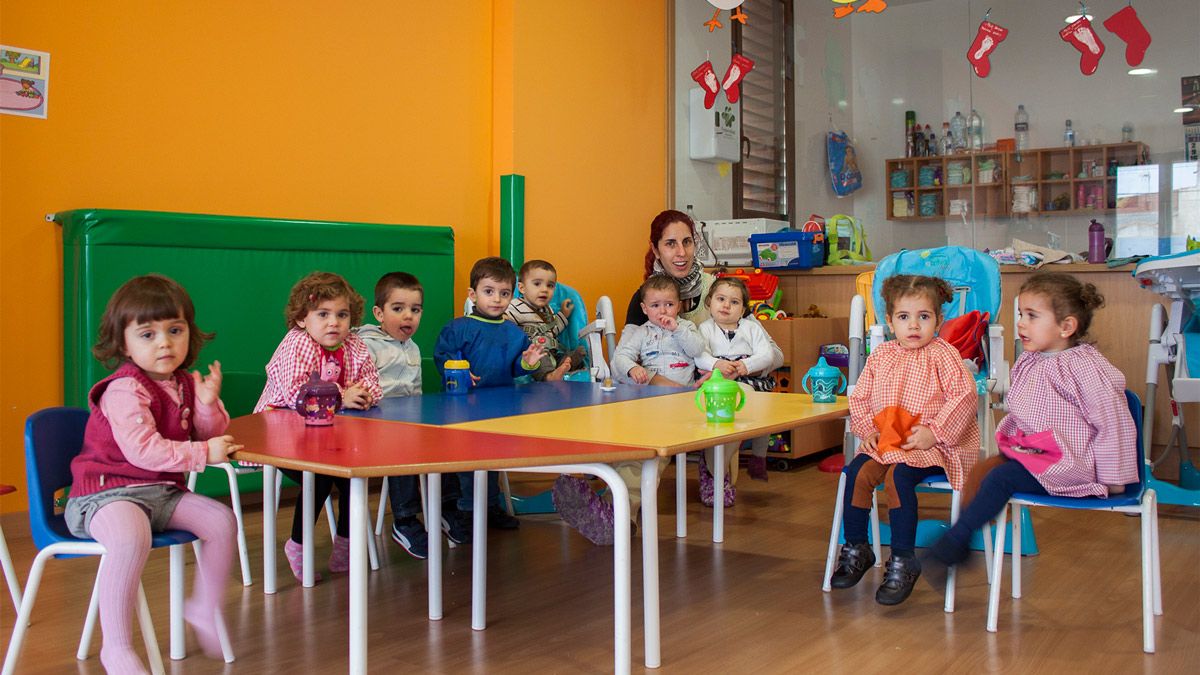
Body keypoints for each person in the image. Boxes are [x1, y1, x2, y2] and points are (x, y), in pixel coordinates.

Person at [65, 275, 240, 673]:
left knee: (221, 519)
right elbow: (142, 450)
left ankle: (204, 608)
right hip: (105, 495)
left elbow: (209, 436)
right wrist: (202, 451)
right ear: (123, 343)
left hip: (159, 493)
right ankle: (117, 648)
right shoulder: (125, 390)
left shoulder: (184, 383)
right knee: (130, 535)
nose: (164, 343)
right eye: (148, 334)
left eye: (174, 331)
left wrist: (208, 407)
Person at [921, 273, 1137, 584]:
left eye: (1032, 316)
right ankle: (961, 539)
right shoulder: (1032, 360)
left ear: (1066, 326)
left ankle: (954, 543)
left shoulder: (1086, 367)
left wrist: (1114, 478)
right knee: (983, 474)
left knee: (1000, 479)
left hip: (1071, 462)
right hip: (1039, 454)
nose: (1021, 323)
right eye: (1021, 314)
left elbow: (1113, 422)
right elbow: (1026, 413)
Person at [829, 274, 979, 605]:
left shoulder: (944, 355)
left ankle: (902, 559)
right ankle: (857, 547)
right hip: (887, 443)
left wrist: (935, 432)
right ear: (889, 320)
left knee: (898, 478)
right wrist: (867, 429)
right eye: (903, 317)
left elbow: (965, 396)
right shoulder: (881, 355)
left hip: (930, 447)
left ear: (939, 320)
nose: (914, 326)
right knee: (856, 473)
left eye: (923, 317)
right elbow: (862, 397)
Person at [553, 275, 707, 545]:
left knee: (649, 457)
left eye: (669, 305)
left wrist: (678, 330)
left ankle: (618, 516)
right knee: (627, 446)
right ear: (645, 309)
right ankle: (608, 507)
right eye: (656, 306)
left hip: (679, 406)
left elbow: (698, 350)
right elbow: (620, 359)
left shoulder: (687, 329)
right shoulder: (640, 332)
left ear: (679, 306)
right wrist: (634, 368)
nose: (663, 311)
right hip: (646, 402)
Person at [255, 271, 383, 582]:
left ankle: (345, 543)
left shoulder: (354, 344)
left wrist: (363, 395)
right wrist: (343, 394)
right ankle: (298, 544)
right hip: (278, 434)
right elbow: (297, 393)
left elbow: (373, 382)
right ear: (302, 319)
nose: (334, 323)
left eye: (342, 315)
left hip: (329, 434)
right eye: (323, 314)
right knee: (320, 475)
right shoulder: (297, 344)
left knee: (355, 477)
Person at [433, 256, 544, 540]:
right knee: (469, 461)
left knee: (493, 458)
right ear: (473, 294)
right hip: (463, 408)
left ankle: (490, 505)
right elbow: (443, 356)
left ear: (512, 294)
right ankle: (467, 511)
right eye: (489, 291)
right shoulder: (458, 327)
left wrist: (529, 361)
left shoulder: (513, 333)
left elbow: (516, 367)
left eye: (504, 293)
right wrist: (458, 370)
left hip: (501, 407)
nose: (497, 299)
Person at [355, 271, 430, 559]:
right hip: (372, 426)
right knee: (401, 448)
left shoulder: (413, 348)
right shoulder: (366, 345)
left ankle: (450, 509)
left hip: (405, 423)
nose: (408, 317)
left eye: (415, 309)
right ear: (379, 313)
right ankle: (405, 521)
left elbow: (416, 393)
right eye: (398, 309)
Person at [695, 276, 784, 506]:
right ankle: (717, 472)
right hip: (716, 384)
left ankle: (753, 456)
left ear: (743, 309)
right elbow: (699, 355)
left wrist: (746, 366)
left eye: (734, 302)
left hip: (746, 381)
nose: (726, 305)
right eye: (720, 299)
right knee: (721, 416)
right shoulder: (704, 329)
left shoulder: (751, 328)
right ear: (709, 303)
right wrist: (716, 364)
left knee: (753, 406)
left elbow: (768, 355)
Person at [623, 209, 716, 386]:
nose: (682, 252)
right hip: (664, 396)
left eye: (687, 242)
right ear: (655, 250)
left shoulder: (717, 290)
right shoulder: (645, 298)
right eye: (671, 244)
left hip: (718, 386)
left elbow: (774, 354)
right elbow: (621, 367)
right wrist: (664, 384)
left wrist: (724, 372)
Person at [504, 259, 589, 381]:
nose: (544, 289)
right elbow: (505, 324)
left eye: (550, 285)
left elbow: (554, 329)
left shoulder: (547, 310)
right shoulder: (515, 306)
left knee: (572, 354)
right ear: (522, 288)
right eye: (537, 284)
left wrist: (563, 314)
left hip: (552, 352)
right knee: (539, 359)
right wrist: (504, 318)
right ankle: (549, 376)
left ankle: (565, 364)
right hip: (531, 353)